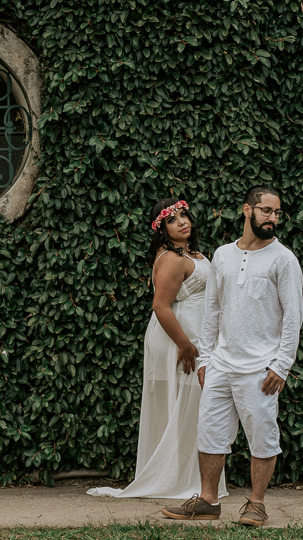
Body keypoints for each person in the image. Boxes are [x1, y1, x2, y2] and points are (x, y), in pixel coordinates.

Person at [161, 185, 303, 526]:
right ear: (247, 210)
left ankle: (256, 503)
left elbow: (293, 316)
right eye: (266, 210)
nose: (272, 218)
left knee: (262, 435)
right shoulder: (223, 255)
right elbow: (212, 311)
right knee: (210, 432)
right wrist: (207, 359)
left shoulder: (284, 259)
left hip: (260, 368)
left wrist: (281, 365)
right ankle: (209, 500)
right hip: (221, 364)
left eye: (277, 213)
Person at [88, 198, 227, 499]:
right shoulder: (172, 259)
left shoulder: (191, 253)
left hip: (195, 338)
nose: (181, 221)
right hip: (178, 341)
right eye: (172, 220)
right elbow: (161, 307)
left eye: (183, 215)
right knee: (182, 406)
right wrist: (186, 345)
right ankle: (177, 480)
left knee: (194, 407)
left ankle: (190, 479)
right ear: (161, 229)